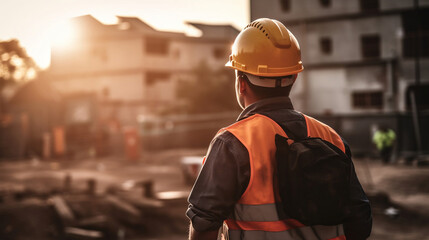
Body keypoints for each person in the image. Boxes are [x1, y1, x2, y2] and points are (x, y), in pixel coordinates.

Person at [186, 18, 372, 240]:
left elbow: (204, 225)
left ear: (241, 83)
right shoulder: (332, 138)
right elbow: (360, 222)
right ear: (293, 77)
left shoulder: (232, 143)